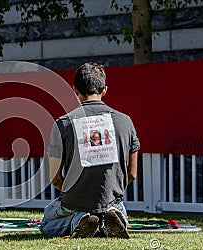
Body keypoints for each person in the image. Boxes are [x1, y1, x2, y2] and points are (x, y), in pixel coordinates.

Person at [40, 62, 140, 238]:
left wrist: (74, 193)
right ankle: (110, 219)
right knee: (113, 209)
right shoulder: (125, 122)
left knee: (47, 224)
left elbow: (55, 178)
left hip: (74, 201)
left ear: (75, 90)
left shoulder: (63, 124)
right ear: (105, 90)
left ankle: (80, 220)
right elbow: (132, 174)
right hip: (111, 199)